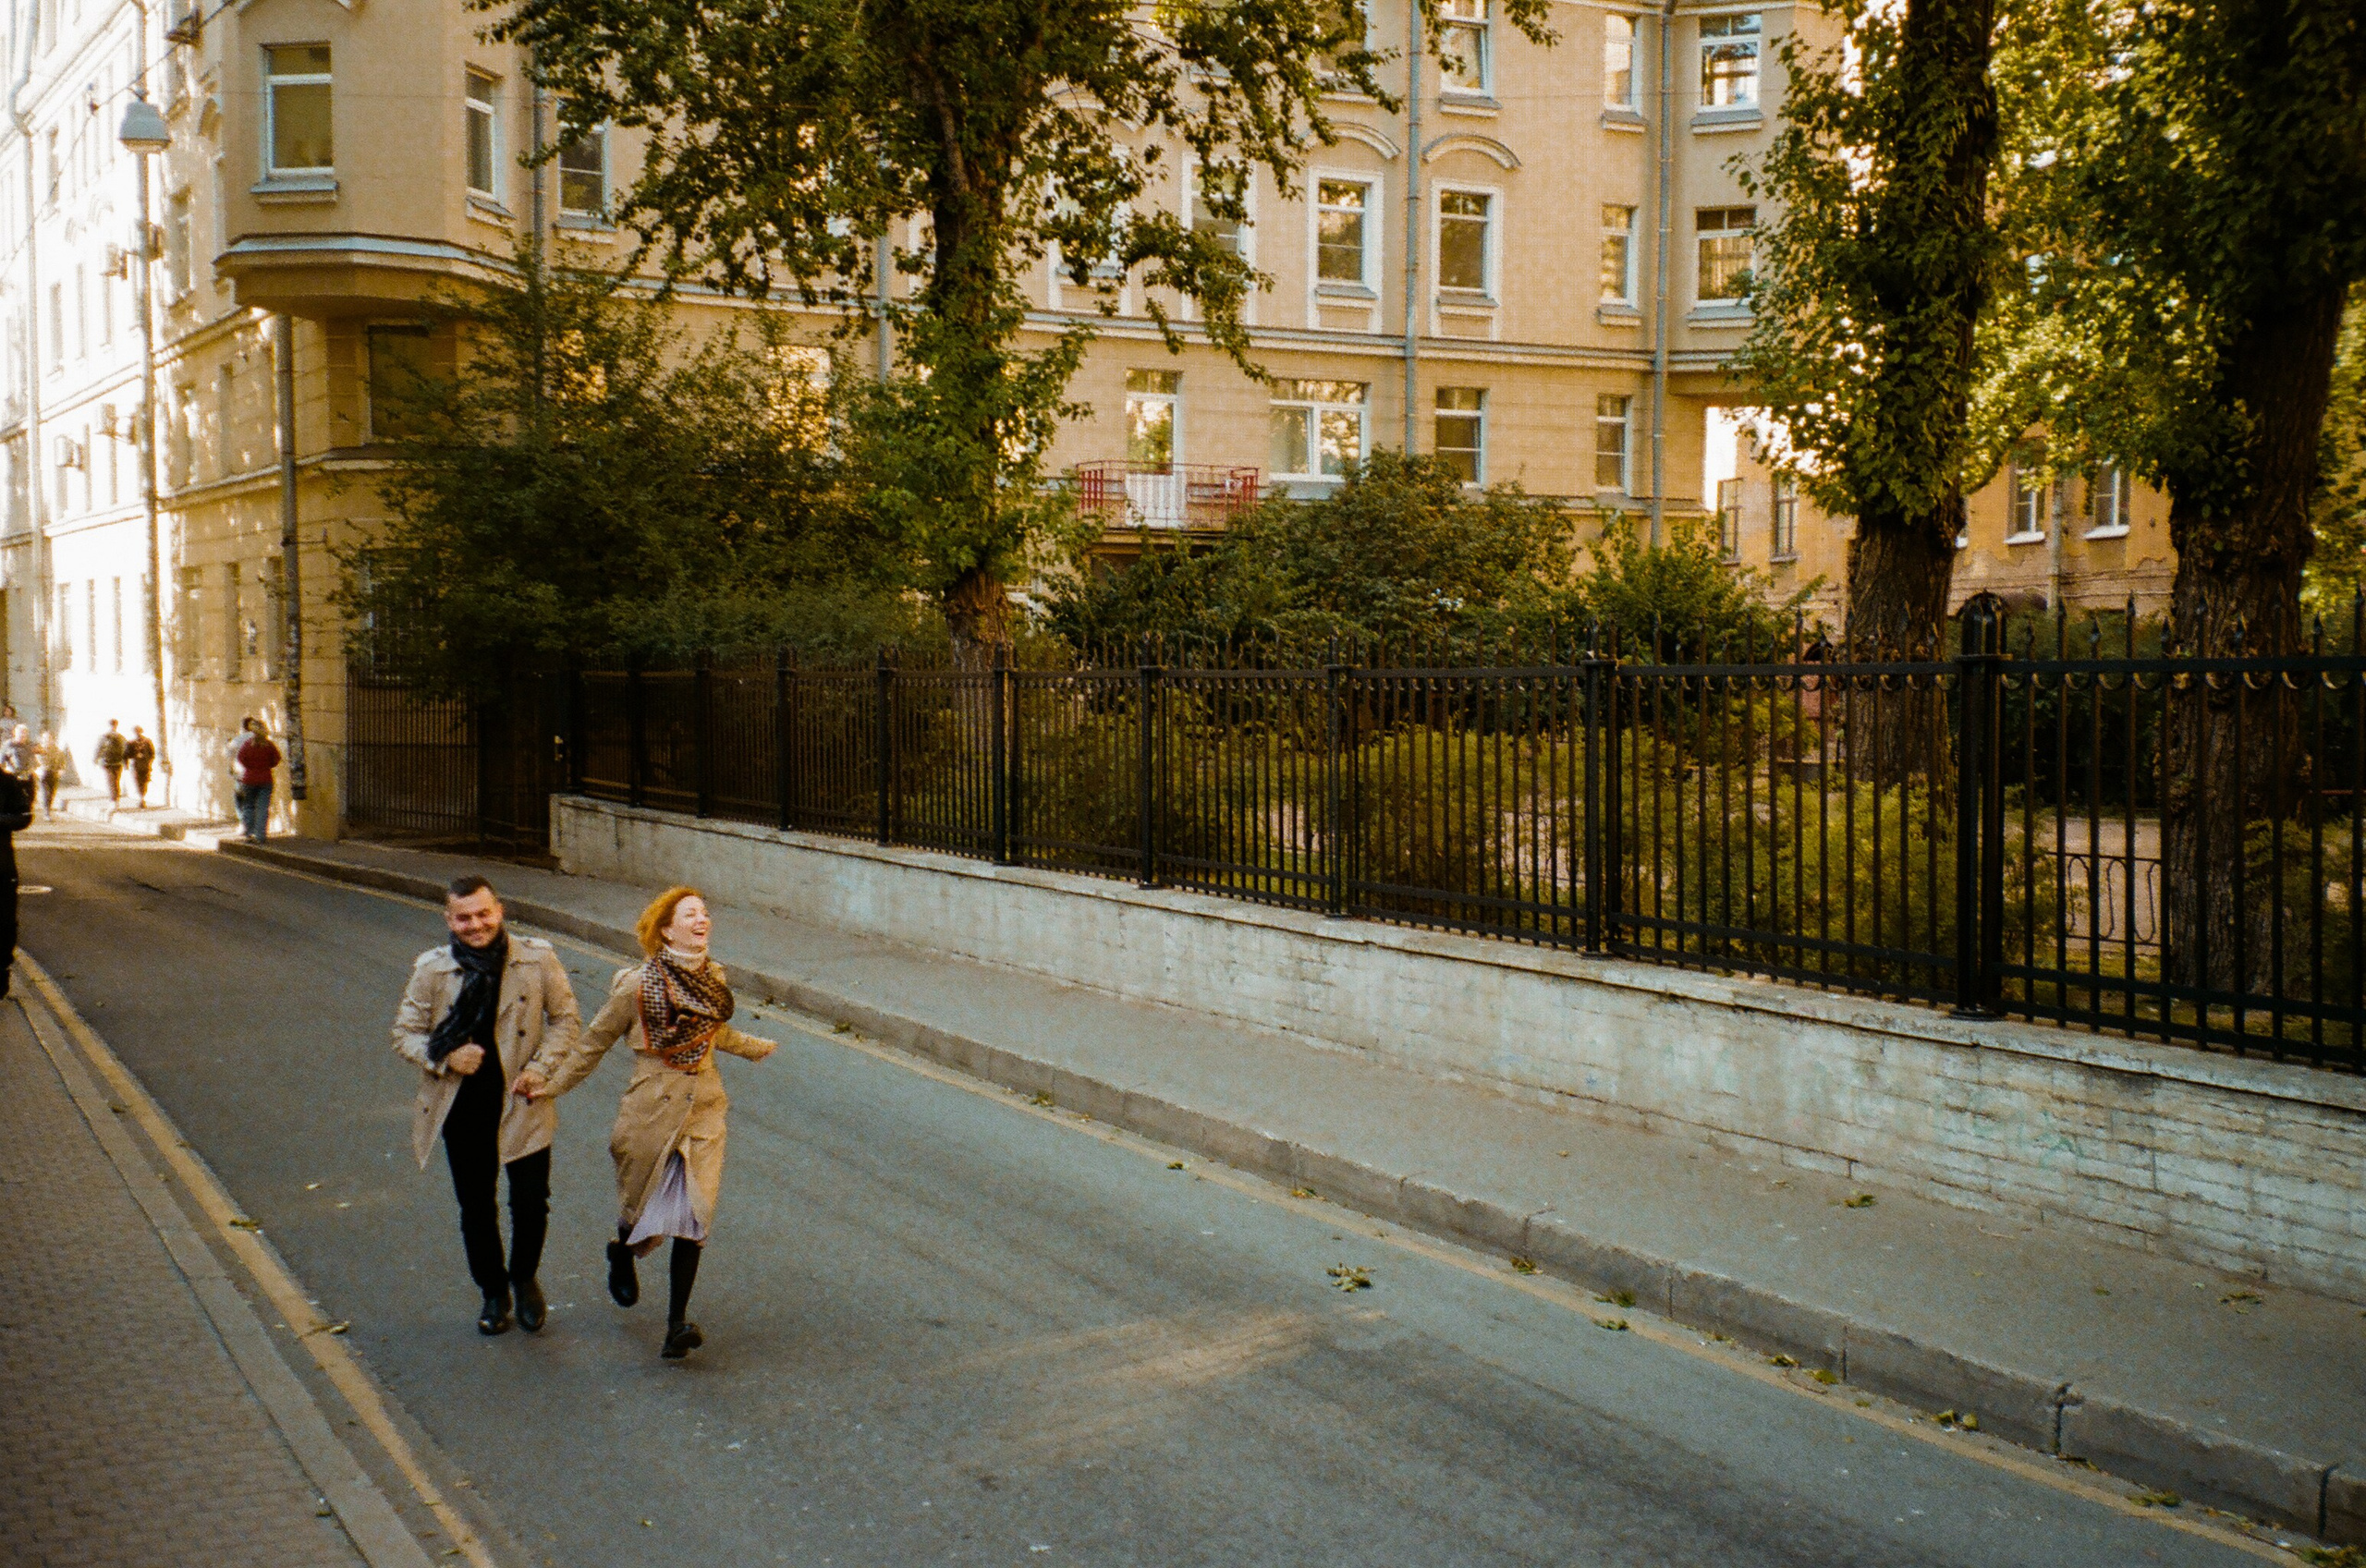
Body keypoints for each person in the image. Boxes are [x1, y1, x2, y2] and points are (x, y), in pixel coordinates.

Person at [521, 887, 776, 1360]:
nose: (702, 920)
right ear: (666, 928)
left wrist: (752, 1046)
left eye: (705, 913)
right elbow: (593, 1043)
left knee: (695, 1217)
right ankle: (622, 1252)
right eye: (690, 914)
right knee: (640, 1212)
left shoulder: (714, 980)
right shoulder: (636, 985)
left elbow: (714, 1032)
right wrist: (550, 1085)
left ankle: (676, 1324)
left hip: (703, 1109)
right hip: (650, 1108)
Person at [390, 876, 582, 1336]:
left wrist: (541, 1066)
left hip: (522, 1095)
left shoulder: (536, 958)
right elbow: (405, 1033)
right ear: (448, 919)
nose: (475, 925)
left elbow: (566, 1019)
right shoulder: (432, 969)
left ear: (499, 910)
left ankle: (524, 1278)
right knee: (476, 1206)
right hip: (462, 1103)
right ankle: (493, 1292)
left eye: (483, 914)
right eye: (463, 917)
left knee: (532, 1202)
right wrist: (444, 1054)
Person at [0, 747, 31, 996]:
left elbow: (24, 815)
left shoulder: (7, 782)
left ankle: (2, 972)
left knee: (4, 921)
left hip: (1, 867)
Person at [231, 717, 282, 842]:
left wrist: (250, 768)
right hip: (265, 779)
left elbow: (240, 758)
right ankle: (260, 835)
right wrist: (267, 766)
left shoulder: (247, 745)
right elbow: (276, 759)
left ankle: (248, 833)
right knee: (263, 808)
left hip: (249, 779)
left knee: (248, 806)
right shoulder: (269, 745)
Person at [32, 731, 66, 819]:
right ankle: (46, 812)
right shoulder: (38, 750)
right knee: (45, 792)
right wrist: (36, 770)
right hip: (42, 774)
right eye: (45, 738)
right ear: (42, 740)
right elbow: (32, 762)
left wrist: (61, 769)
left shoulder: (58, 751)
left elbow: (62, 762)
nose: (47, 740)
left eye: (49, 738)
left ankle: (48, 809)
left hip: (54, 773)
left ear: (52, 740)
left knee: (51, 793)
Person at [93, 721, 128, 805]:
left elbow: (99, 748)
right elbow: (126, 751)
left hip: (108, 762)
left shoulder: (105, 737)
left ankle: (114, 800)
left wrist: (96, 759)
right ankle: (115, 799)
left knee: (111, 781)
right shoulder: (121, 737)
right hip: (117, 762)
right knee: (116, 781)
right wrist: (126, 763)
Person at [125, 726, 156, 808]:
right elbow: (127, 754)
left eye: (139, 731)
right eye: (136, 732)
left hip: (145, 766)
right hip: (136, 766)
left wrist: (149, 762)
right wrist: (127, 764)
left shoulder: (147, 742)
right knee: (138, 782)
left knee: (145, 782)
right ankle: (141, 799)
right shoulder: (131, 743)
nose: (138, 733)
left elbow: (152, 754)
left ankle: (143, 798)